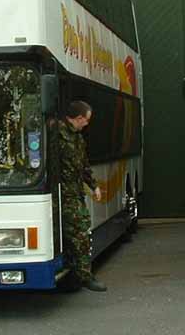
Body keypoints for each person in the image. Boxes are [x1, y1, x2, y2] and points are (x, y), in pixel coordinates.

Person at [53, 100, 106, 292]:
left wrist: (94, 186)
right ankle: (84, 276)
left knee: (80, 233)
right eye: (86, 120)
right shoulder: (55, 132)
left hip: (74, 194)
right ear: (78, 118)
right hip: (61, 196)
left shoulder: (77, 137)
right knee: (80, 234)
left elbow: (83, 165)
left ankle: (76, 274)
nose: (87, 124)